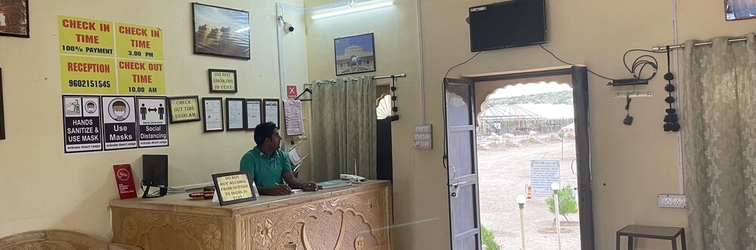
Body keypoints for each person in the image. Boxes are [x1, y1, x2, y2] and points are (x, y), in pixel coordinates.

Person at [240, 122, 317, 195]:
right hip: (259, 202)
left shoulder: (282, 155)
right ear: (267, 141)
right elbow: (248, 187)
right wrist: (270, 191)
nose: (280, 138)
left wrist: (302, 185)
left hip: (279, 199)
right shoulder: (248, 159)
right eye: (277, 135)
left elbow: (290, 180)